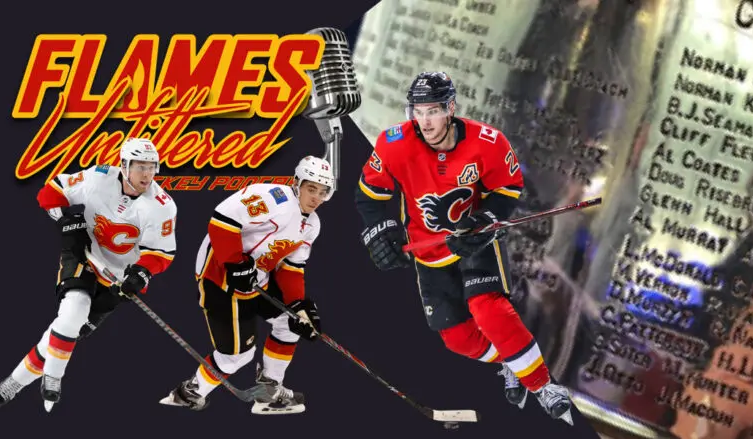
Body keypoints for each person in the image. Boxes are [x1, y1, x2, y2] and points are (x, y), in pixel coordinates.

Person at [355, 71, 573, 424]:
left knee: (488, 309)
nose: (425, 121)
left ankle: (544, 387)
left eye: (433, 111)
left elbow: (508, 186)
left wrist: (483, 219)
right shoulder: (393, 143)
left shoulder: (487, 141)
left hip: (474, 241)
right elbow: (369, 195)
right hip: (428, 251)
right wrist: (380, 231)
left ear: (451, 108)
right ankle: (511, 363)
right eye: (418, 111)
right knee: (457, 339)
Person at [0, 137, 178, 412]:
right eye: (140, 166)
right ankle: (53, 379)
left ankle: (13, 383)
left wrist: (141, 274)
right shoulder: (97, 178)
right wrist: (65, 218)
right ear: (123, 165)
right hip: (84, 254)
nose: (147, 174)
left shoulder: (162, 206)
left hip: (117, 279)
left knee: (68, 329)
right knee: (73, 310)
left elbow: (161, 253)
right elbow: (50, 193)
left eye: (152, 167)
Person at [158, 156, 331, 415]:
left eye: (323, 191)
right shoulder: (273, 198)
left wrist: (298, 305)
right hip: (219, 275)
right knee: (237, 356)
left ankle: (269, 390)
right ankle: (188, 394)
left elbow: (292, 269)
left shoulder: (312, 225)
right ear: (297, 183)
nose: (316, 197)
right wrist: (235, 263)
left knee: (290, 321)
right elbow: (222, 220)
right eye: (311, 188)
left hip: (256, 278)